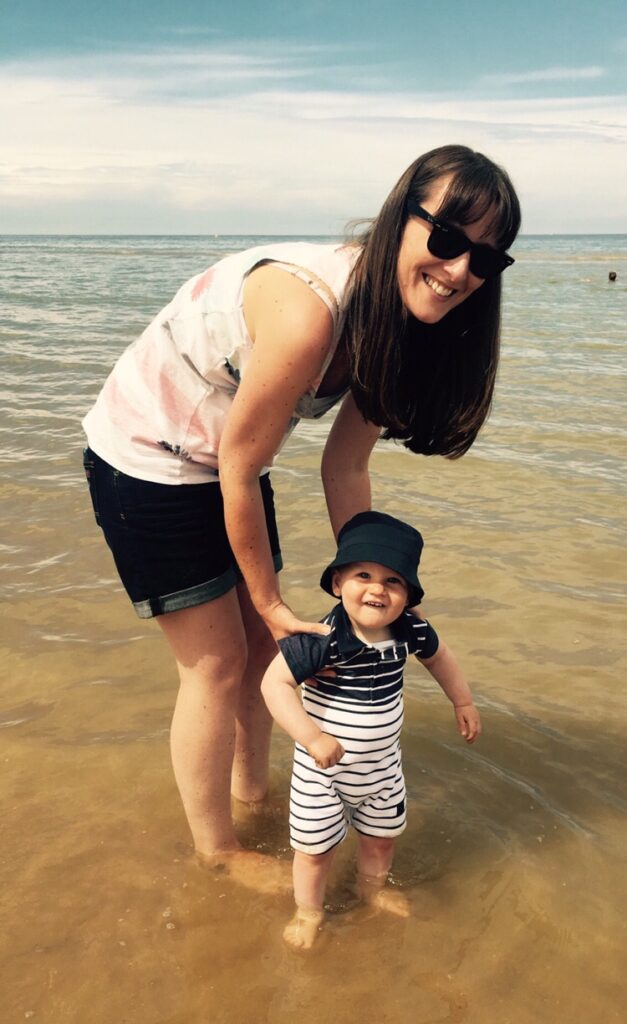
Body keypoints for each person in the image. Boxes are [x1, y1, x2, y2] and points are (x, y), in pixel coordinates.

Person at [81, 145, 519, 878]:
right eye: (446, 239)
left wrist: (364, 590)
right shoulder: (308, 313)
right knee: (219, 663)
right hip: (146, 455)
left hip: (224, 460)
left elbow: (344, 466)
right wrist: (269, 600)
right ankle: (216, 852)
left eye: (485, 259)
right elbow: (240, 465)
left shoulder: (398, 326)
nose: (458, 270)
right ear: (398, 219)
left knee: (265, 649)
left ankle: (249, 795)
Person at [261, 510, 481, 947]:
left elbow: (440, 658)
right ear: (338, 582)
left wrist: (463, 700)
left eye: (393, 581)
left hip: (382, 768)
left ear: (408, 594)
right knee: (315, 852)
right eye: (364, 574)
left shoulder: (411, 630)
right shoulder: (323, 637)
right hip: (322, 773)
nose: (378, 588)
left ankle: (372, 891)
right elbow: (274, 683)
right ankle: (308, 912)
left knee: (382, 840)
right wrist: (311, 737)